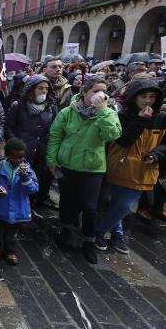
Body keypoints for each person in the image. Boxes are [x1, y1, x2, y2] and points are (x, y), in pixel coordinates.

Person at [47, 76, 122, 264]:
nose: (100, 95)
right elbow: (55, 135)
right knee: (67, 201)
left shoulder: (108, 112)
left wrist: (103, 111)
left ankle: (88, 240)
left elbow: (112, 135)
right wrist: (51, 159)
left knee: (90, 206)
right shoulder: (67, 112)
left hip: (93, 166)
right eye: (95, 91)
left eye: (103, 91)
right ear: (84, 92)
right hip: (69, 163)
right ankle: (66, 229)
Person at [95, 78, 166, 254]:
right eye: (143, 96)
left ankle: (99, 231)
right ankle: (118, 234)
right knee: (117, 205)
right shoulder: (122, 115)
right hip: (120, 166)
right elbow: (123, 140)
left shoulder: (162, 118)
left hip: (143, 170)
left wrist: (156, 154)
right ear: (134, 97)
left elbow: (164, 144)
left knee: (125, 205)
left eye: (152, 97)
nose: (148, 100)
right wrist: (140, 121)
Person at [6, 74, 58, 208]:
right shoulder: (18, 105)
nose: (44, 91)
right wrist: (16, 144)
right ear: (31, 89)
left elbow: (54, 130)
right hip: (22, 151)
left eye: (46, 89)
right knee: (21, 179)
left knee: (39, 179)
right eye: (40, 88)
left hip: (42, 150)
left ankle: (36, 203)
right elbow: (9, 127)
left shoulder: (51, 108)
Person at [0, 138, 38, 265]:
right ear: (7, 155)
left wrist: (25, 177)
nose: (18, 160)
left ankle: (10, 251)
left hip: (18, 209)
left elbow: (33, 189)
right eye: (15, 157)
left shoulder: (28, 170)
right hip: (0, 207)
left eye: (21, 157)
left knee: (12, 233)